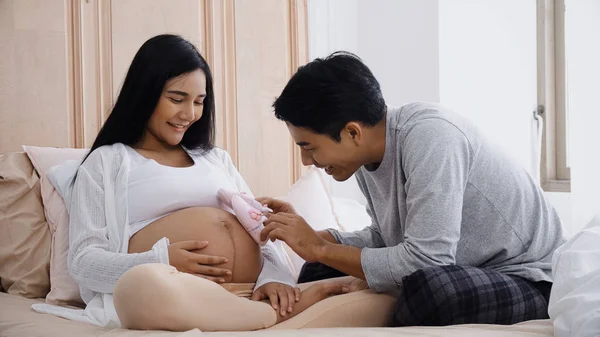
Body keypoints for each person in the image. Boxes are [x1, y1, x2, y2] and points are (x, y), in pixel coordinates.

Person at [32, 35, 357, 331]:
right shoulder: (107, 163)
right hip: (172, 291)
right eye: (177, 98)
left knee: (378, 296)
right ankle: (270, 319)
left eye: (199, 101)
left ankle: (261, 311)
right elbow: (85, 263)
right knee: (143, 286)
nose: (189, 113)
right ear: (145, 94)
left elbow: (261, 232)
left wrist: (274, 281)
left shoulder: (216, 159)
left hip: (246, 293)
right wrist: (162, 261)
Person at [259, 51, 567, 326]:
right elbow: (388, 237)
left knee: (432, 291)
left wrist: (319, 248)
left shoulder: (432, 137)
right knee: (316, 269)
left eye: (309, 147)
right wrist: (314, 239)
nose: (305, 160)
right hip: (459, 267)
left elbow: (428, 260)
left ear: (352, 132)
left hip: (529, 277)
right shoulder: (366, 154)